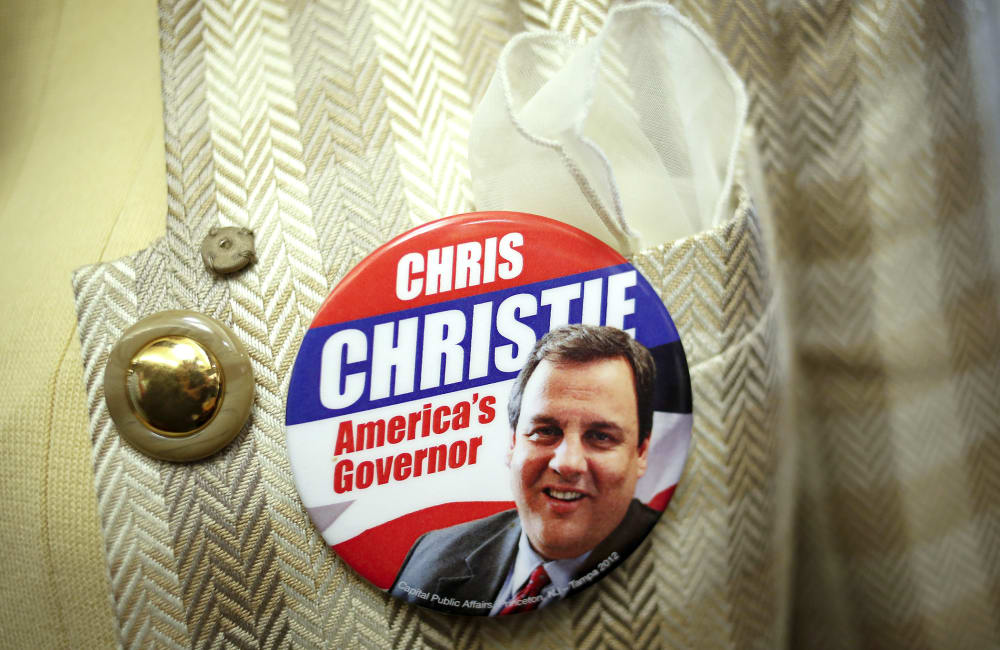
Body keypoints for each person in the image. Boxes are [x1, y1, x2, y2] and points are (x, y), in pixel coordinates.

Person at [390, 324, 659, 616]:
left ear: (641, 452)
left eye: (601, 436)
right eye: (545, 430)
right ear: (513, 442)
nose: (566, 463)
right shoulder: (432, 557)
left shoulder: (676, 576)